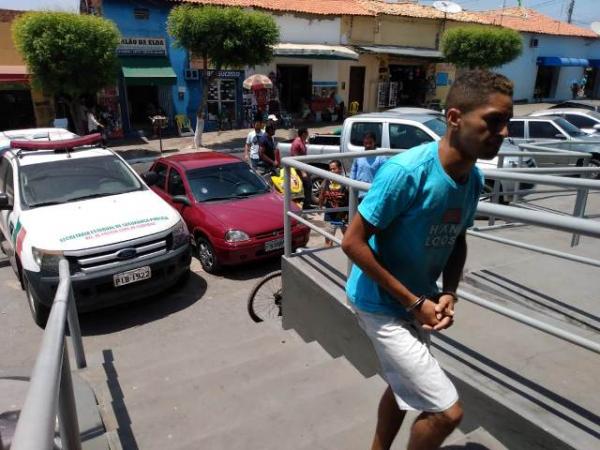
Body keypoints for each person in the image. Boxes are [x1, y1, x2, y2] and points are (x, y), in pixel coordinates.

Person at [342, 69, 513, 450]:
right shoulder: (407, 172)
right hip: (380, 304)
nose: (503, 133)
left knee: (404, 387)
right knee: (445, 413)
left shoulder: (474, 180)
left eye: (507, 122)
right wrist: (414, 302)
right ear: (454, 118)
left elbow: (458, 238)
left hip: (419, 300)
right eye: (493, 121)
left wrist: (449, 291)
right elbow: (352, 243)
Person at [350, 131, 387, 201]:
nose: (368, 145)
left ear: (374, 142)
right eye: (365, 143)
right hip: (359, 193)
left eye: (370, 143)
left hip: (373, 193)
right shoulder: (358, 155)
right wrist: (351, 185)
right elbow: (353, 170)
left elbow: (384, 175)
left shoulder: (381, 157)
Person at [319, 160, 348, 247]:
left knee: (348, 239)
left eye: (334, 169)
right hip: (330, 213)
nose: (331, 171)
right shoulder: (327, 181)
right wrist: (320, 206)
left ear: (340, 169)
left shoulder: (346, 181)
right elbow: (322, 194)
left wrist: (349, 213)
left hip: (343, 214)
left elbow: (351, 197)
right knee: (328, 240)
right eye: (330, 169)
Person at [290, 127, 312, 209]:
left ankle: (307, 205)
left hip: (303, 167)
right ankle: (303, 206)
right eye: (307, 133)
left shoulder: (302, 141)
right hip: (298, 169)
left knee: (308, 186)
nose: (308, 135)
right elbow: (296, 159)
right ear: (303, 134)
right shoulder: (296, 143)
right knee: (305, 186)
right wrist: (303, 172)